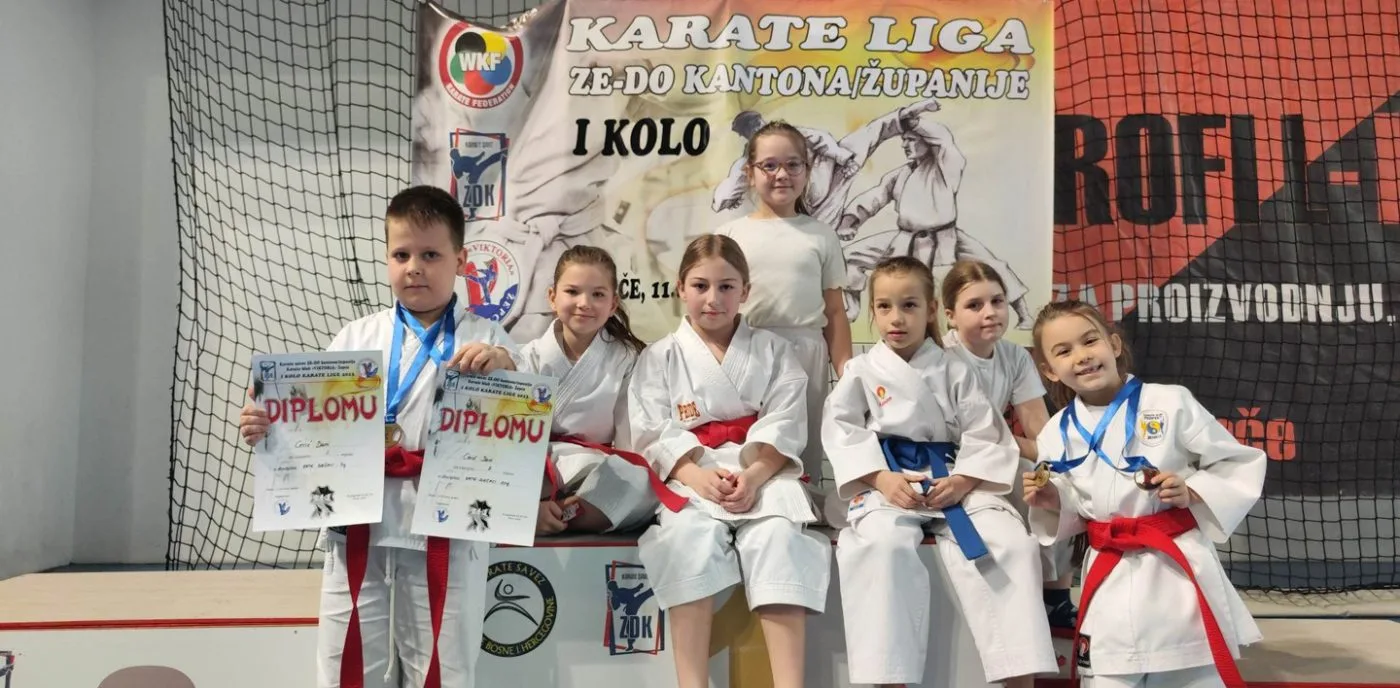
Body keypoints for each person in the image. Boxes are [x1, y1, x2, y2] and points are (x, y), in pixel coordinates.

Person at [239, 186, 522, 688]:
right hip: (357, 524)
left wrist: (506, 371)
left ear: (460, 261)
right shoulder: (355, 338)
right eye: (401, 255)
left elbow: (518, 432)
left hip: (446, 530)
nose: (414, 267)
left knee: (443, 670)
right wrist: (268, 426)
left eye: (431, 255)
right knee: (344, 666)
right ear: (387, 258)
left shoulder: (488, 341)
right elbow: (316, 430)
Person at [824, 256, 1056, 688]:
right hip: (890, 482)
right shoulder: (861, 370)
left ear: (931, 310)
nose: (897, 318)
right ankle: (890, 682)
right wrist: (881, 479)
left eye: (909, 305)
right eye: (885, 307)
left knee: (1012, 545)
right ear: (872, 311)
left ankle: (1019, 680)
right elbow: (842, 431)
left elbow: (986, 432)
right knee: (882, 546)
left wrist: (964, 480)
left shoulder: (954, 367)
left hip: (951, 476)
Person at [1023, 299, 1266, 688]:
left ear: (1114, 345)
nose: (1082, 356)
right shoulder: (1056, 432)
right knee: (1108, 675)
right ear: (1049, 369)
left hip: (1174, 567)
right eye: (1064, 351)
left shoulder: (1169, 401)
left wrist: (1192, 490)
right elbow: (1073, 503)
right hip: (1109, 573)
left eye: (1090, 341)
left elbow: (1237, 461)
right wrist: (1053, 499)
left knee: (1191, 674)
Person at [628, 234, 830, 688]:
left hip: (762, 472)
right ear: (680, 288)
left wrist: (754, 477)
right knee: (685, 540)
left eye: (726, 286)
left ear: (746, 291)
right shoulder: (659, 357)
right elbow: (651, 431)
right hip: (691, 474)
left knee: (780, 537)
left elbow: (786, 422)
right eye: (700, 286)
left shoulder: (774, 351)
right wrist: (694, 475)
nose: (713, 299)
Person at [714, 119, 853, 498]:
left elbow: (835, 312)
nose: (782, 175)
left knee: (800, 449)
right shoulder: (729, 235)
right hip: (744, 351)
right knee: (745, 445)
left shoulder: (821, 235)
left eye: (793, 165)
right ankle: (737, 501)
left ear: (807, 170)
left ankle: (801, 509)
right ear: (750, 172)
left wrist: (847, 373)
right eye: (769, 165)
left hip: (805, 354)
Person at [940, 259, 1077, 628]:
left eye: (997, 301)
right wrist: (1001, 445)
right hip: (947, 462)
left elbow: (1042, 438)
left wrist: (1046, 460)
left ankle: (1056, 597)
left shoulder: (1015, 356)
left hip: (993, 455)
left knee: (1052, 478)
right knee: (1022, 473)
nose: (990, 313)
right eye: (975, 305)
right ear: (950, 316)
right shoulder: (940, 357)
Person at [520, 245, 666, 535]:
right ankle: (538, 512)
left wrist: (618, 472)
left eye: (598, 294)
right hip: (540, 465)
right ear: (552, 297)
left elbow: (630, 436)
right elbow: (517, 435)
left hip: (596, 467)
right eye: (572, 292)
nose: (584, 303)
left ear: (613, 304)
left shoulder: (626, 358)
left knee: (639, 482)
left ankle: (556, 515)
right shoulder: (528, 357)